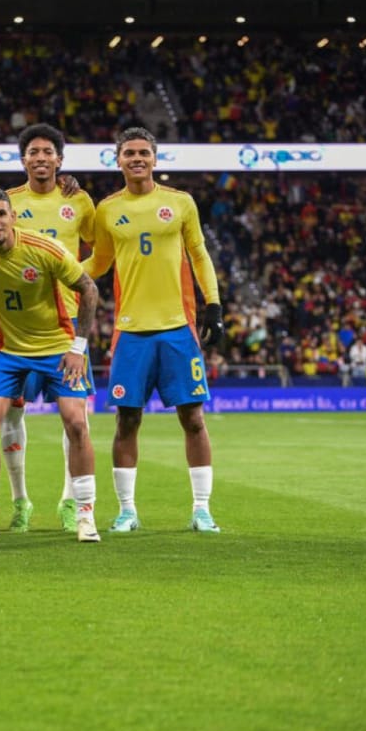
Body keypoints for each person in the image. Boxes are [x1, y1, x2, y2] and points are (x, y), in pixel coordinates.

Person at [83, 126, 224, 534]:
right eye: (129, 153)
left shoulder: (179, 203)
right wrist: (62, 275)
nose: (137, 158)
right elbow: (100, 263)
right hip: (130, 332)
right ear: (118, 160)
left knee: (194, 419)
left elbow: (199, 254)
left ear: (155, 159)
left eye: (144, 152)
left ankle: (202, 509)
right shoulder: (108, 210)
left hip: (178, 329)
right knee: (127, 421)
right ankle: (127, 510)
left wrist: (212, 304)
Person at [0, 187, 101, 542]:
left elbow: (89, 288)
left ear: (13, 216)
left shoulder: (44, 249)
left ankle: (85, 516)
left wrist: (78, 347)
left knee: (76, 423)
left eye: (0, 214)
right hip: (9, 351)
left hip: (57, 348)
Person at [8, 123, 97, 533]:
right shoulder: (7, 203)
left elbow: (103, 250)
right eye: (33, 152)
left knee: (75, 417)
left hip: (67, 327)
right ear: (23, 159)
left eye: (48, 152)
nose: (41, 158)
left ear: (59, 159)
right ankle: (20, 500)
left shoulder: (79, 201)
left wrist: (79, 280)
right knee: (8, 416)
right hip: (16, 326)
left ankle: (69, 500)